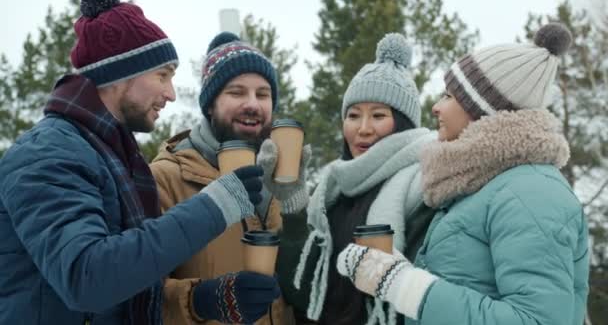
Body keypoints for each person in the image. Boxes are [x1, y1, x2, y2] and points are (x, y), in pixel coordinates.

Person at [0, 0, 279, 324]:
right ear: (120, 76)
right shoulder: (46, 153)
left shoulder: (111, 156)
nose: (171, 94)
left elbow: (125, 283)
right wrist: (215, 204)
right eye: (163, 75)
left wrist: (206, 299)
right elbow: (87, 279)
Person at [336, 23, 590, 325]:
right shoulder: (479, 187)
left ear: (480, 107)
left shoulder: (530, 192)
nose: (435, 107)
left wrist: (403, 284)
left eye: (448, 96)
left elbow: (537, 320)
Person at [266, 33, 436, 325]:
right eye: (354, 115)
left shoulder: (425, 186)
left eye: (378, 115)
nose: (363, 129)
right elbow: (304, 290)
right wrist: (293, 205)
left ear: (404, 123)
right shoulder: (331, 189)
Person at [150, 31, 306, 324]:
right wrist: (203, 300)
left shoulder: (281, 181)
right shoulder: (165, 179)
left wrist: (295, 211)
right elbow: (140, 299)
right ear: (210, 104)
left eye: (263, 94)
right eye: (236, 92)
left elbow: (304, 290)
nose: (253, 104)